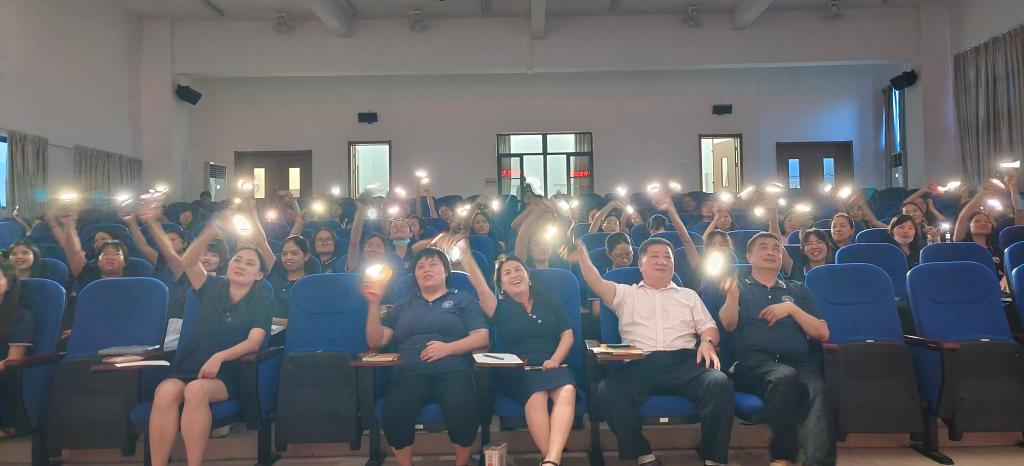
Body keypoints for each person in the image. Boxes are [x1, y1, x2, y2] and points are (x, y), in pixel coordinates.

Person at [563, 237, 733, 466]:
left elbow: (709, 328)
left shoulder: (689, 296)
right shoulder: (625, 294)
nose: (662, 261)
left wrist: (707, 342)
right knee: (608, 391)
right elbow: (597, 283)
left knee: (719, 383)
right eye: (655, 256)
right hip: (640, 365)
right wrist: (583, 258)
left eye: (668, 257)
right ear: (640, 264)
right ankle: (644, 455)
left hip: (685, 364)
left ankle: (714, 458)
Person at [146, 213, 273, 466]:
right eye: (237, 260)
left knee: (196, 390)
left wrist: (219, 357)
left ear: (259, 275)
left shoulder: (261, 301)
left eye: (250, 264)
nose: (241, 265)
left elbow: (254, 342)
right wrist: (211, 231)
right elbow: (189, 262)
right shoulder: (210, 287)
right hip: (190, 365)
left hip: (228, 372)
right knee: (165, 392)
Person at [363, 247, 489, 466]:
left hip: (454, 370)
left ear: (446, 271)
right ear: (415, 276)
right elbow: (376, 341)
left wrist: (448, 348)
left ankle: (462, 462)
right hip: (412, 373)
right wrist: (374, 303)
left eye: (433, 264)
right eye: (420, 266)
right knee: (395, 409)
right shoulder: (404, 305)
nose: (426, 269)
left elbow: (481, 337)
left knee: (461, 404)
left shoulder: (462, 299)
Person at [718, 232, 834, 466]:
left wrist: (791, 309)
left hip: (799, 361)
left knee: (818, 391)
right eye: (763, 247)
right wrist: (732, 297)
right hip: (753, 363)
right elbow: (728, 324)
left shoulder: (798, 289)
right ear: (749, 256)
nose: (771, 252)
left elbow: (822, 333)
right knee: (784, 377)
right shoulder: (740, 288)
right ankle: (783, 457)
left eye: (776, 248)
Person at [456, 240, 576, 466]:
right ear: (501, 285)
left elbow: (567, 335)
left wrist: (554, 359)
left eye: (518, 269)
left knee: (567, 390)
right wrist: (465, 255)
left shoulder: (549, 302)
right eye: (507, 273)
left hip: (553, 363)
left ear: (528, 276)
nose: (514, 274)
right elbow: (480, 287)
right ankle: (553, 460)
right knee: (536, 395)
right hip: (520, 369)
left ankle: (551, 461)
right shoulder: (499, 308)